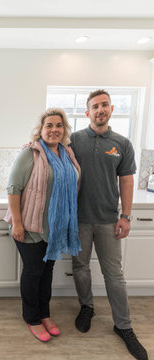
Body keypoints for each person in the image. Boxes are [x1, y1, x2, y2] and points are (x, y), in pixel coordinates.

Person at [70, 89, 148, 360]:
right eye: (95, 106)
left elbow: (126, 180)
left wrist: (125, 216)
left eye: (104, 105)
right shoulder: (74, 140)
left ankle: (123, 326)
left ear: (111, 109)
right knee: (79, 267)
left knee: (114, 275)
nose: (100, 109)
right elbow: (49, 152)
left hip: (108, 219)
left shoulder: (122, 143)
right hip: (78, 219)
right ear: (87, 112)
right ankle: (86, 307)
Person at [4, 108, 82, 342]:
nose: (54, 129)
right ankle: (32, 318)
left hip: (55, 227)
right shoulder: (30, 154)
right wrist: (17, 223)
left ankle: (44, 313)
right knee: (33, 272)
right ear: (41, 129)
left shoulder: (67, 154)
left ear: (64, 130)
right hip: (30, 226)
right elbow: (13, 189)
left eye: (59, 125)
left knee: (46, 273)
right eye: (49, 125)